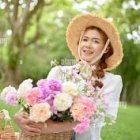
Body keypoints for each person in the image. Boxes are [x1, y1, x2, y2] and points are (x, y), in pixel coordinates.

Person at [14, 13, 123, 140]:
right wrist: (20, 116)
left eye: (95, 41)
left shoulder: (112, 81)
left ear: (105, 49)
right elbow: (39, 102)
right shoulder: (58, 72)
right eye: (85, 39)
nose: (88, 45)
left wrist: (43, 127)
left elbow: (90, 117)